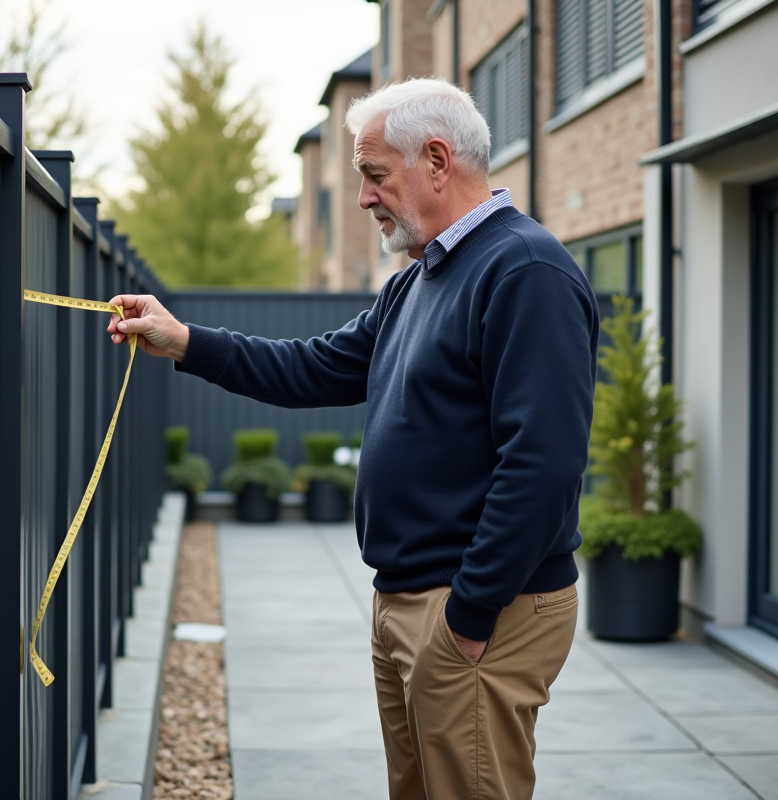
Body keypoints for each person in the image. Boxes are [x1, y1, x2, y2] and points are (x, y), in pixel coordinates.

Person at [107, 78, 598, 800]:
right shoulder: (418, 281)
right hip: (411, 600)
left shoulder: (525, 271)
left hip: (478, 610)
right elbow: (314, 366)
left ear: (437, 161)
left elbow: (543, 461)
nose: (364, 198)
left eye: (374, 174)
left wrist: (470, 611)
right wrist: (184, 340)